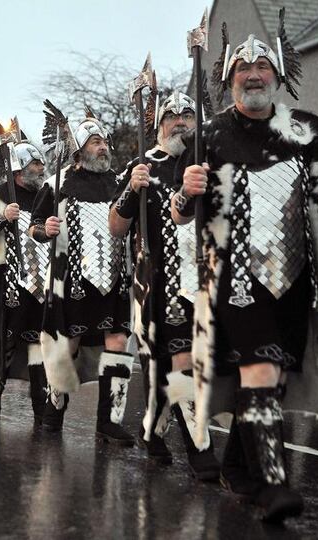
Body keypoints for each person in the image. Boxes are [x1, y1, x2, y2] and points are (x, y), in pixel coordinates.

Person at [173, 24, 318, 521]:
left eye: (261, 68)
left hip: (293, 281)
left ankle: (240, 466)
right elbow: (180, 215)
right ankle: (275, 485)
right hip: (235, 280)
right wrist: (186, 191)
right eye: (242, 69)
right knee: (261, 367)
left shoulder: (305, 130)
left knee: (269, 383)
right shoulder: (205, 138)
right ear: (228, 79)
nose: (252, 76)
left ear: (276, 76)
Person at [110, 91, 220, 478]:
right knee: (172, 361)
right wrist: (130, 191)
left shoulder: (211, 158)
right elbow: (116, 228)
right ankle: (200, 449)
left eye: (187, 115)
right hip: (159, 281)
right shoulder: (141, 166)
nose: (180, 122)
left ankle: (154, 429)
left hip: (208, 277)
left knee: (175, 367)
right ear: (158, 126)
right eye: (170, 117)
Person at [29, 111, 134, 444]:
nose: (103, 147)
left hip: (116, 275)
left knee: (117, 341)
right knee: (69, 344)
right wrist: (44, 229)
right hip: (72, 278)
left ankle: (110, 420)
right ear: (78, 150)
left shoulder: (119, 183)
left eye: (104, 142)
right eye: (95, 142)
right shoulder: (56, 184)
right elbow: (34, 228)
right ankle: (55, 406)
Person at [0, 123, 51, 419]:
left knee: (38, 346)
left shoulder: (48, 195)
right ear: (19, 168)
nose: (41, 169)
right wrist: (2, 219)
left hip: (41, 284)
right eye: (36, 164)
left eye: (42, 164)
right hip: (4, 284)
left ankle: (41, 406)